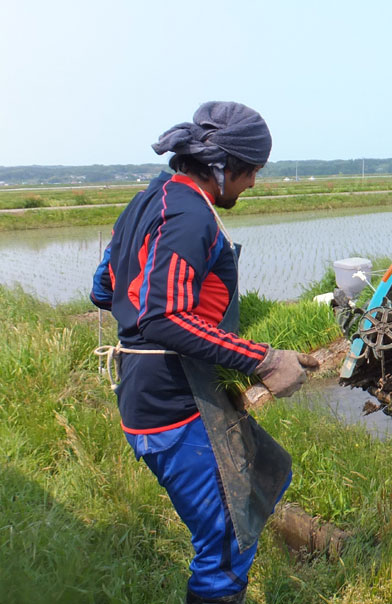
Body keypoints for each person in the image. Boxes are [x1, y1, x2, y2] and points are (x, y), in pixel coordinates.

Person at [90, 102, 318, 604]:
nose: (253, 184)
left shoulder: (148, 199)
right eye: (252, 171)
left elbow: (104, 288)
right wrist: (263, 359)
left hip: (151, 392)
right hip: (174, 404)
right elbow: (163, 317)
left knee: (264, 479)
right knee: (224, 545)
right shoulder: (191, 214)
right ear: (223, 167)